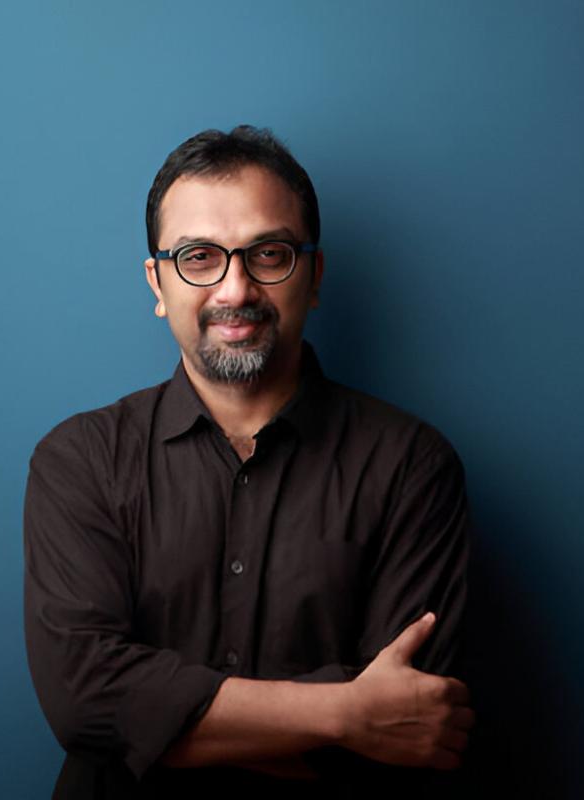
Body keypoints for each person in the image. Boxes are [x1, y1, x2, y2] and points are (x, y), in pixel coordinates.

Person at [23, 126, 473, 798]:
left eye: (269, 253)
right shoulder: (80, 461)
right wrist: (348, 713)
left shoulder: (412, 466)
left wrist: (156, 725)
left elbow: (410, 721)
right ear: (158, 282)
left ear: (314, 275)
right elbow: (85, 705)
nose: (235, 289)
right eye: (199, 257)